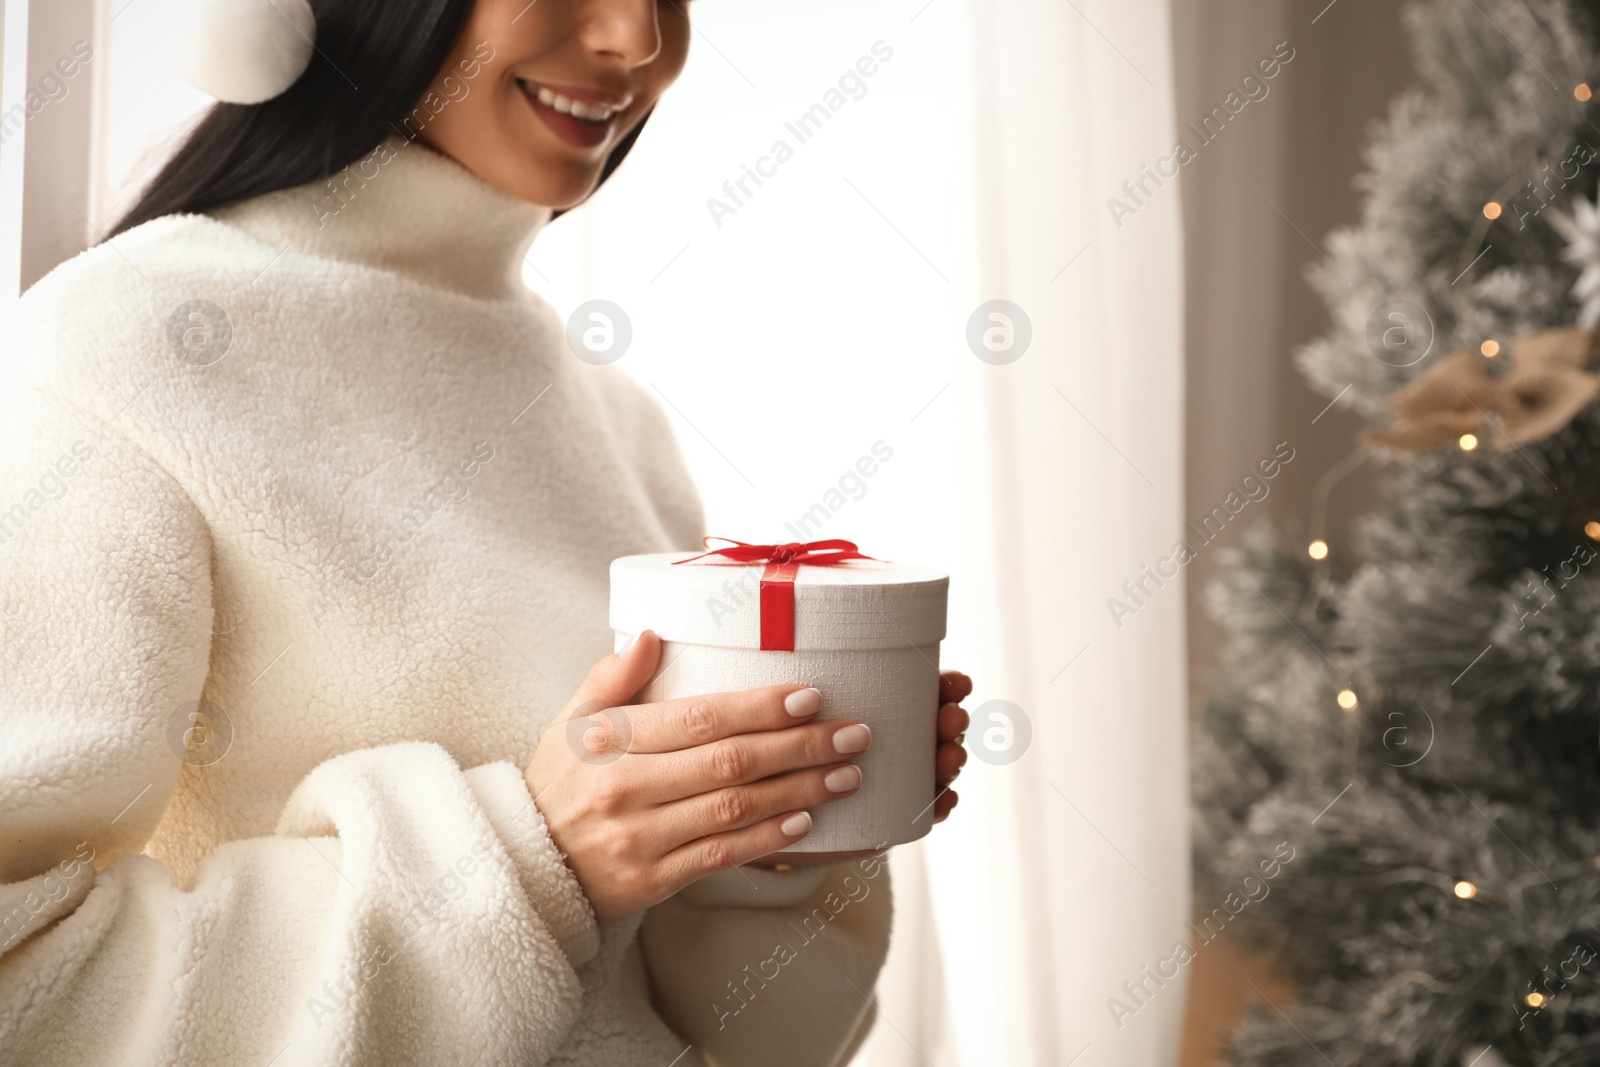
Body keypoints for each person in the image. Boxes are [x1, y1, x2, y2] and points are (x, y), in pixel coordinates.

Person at [0, 1, 971, 1064]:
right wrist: (528, 858)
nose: (635, 41)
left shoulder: (614, 422)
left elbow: (719, 1035)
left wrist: (776, 822)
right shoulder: (117, 358)